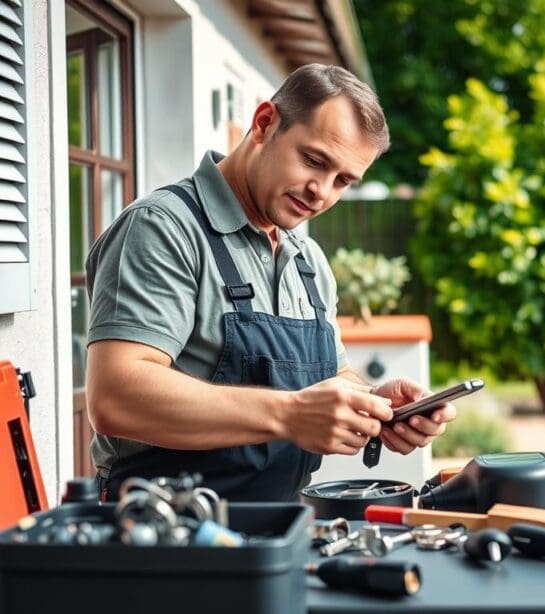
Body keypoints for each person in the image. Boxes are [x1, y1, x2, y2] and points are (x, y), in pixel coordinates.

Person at [85, 64, 456, 502]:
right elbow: (116, 397)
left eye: (343, 180)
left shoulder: (308, 260)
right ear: (264, 123)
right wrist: (291, 414)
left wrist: (376, 402)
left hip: (279, 523)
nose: (322, 191)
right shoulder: (162, 228)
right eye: (315, 161)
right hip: (167, 534)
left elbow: (332, 374)